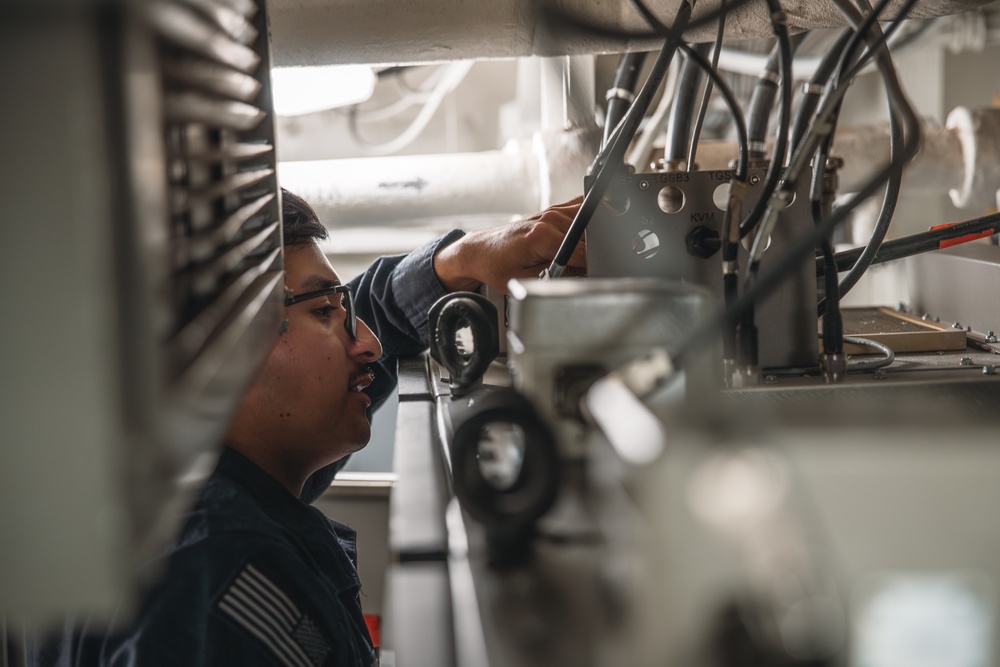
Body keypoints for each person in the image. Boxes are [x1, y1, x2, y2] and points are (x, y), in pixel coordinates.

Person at [30, 189, 585, 667]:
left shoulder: (189, 474)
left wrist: (458, 260)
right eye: (326, 311)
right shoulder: (216, 577)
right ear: (221, 346)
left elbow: (376, 313)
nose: (366, 343)